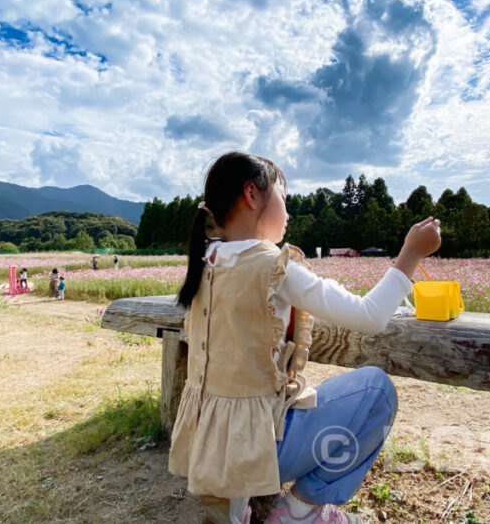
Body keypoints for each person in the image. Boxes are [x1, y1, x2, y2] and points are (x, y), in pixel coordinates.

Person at [167, 152, 441, 524]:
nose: (289, 212)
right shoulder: (274, 266)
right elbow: (369, 315)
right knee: (376, 390)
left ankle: (233, 509)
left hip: (205, 448)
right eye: (284, 197)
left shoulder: (204, 260)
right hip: (254, 452)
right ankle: (299, 510)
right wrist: (411, 253)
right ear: (252, 194)